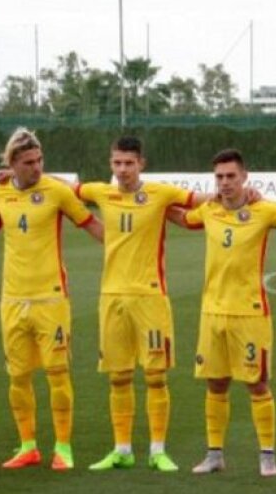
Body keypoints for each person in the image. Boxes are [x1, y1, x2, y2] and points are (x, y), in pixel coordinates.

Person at [171, 149, 276, 476]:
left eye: (231, 176)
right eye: (219, 177)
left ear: (245, 176)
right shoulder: (209, 210)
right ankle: (215, 455)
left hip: (250, 313)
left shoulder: (264, 211)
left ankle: (267, 457)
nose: (225, 183)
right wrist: (154, 204)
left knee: (257, 384)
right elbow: (180, 217)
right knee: (215, 384)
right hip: (212, 312)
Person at [73, 136, 195, 473]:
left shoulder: (161, 194)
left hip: (150, 297)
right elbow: (61, 188)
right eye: (117, 163)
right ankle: (122, 449)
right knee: (119, 376)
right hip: (111, 297)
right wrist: (15, 174)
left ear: (142, 163)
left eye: (129, 163)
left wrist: (245, 194)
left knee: (156, 376)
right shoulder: (101, 192)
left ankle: (158, 450)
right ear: (111, 164)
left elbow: (204, 200)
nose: (123, 170)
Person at [0, 127, 104, 471]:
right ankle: (28, 447)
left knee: (57, 372)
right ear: (12, 163)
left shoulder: (56, 191)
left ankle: (63, 447)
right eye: (28, 162)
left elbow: (91, 224)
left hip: (51, 297)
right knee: (18, 376)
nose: (36, 168)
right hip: (11, 298)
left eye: (39, 161)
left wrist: (124, 247)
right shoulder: (1, 194)